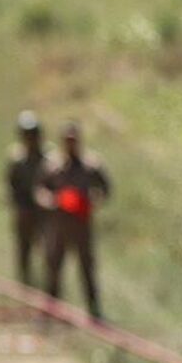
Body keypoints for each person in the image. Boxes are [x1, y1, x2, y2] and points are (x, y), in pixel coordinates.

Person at [39, 122, 112, 320]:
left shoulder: (91, 164)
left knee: (87, 267)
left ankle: (94, 310)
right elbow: (40, 189)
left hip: (81, 223)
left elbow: (105, 189)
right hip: (59, 223)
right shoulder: (52, 164)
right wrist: (52, 201)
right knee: (53, 266)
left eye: (74, 140)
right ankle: (51, 310)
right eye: (67, 140)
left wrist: (92, 202)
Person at [3, 109, 49, 286]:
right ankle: (25, 286)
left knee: (47, 253)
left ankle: (48, 290)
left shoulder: (48, 158)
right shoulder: (17, 158)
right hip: (24, 210)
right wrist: (19, 206)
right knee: (24, 252)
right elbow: (11, 185)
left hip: (43, 213)